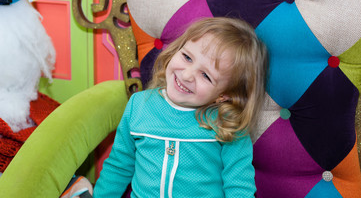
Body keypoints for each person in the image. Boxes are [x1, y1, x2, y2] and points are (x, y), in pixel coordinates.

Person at [93, 17, 268, 198]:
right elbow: (118, 167)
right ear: (176, 50)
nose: (187, 75)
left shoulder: (229, 125)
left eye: (206, 76)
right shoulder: (138, 106)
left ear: (223, 95)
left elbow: (239, 189)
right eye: (187, 57)